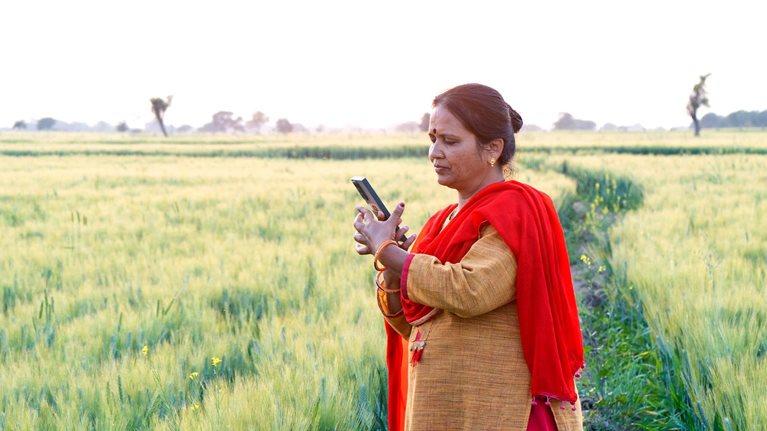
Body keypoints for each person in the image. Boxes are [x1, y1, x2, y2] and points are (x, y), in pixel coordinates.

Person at [353, 83, 585, 431]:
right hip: (445, 406)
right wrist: (391, 265)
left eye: (450, 140)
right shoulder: (441, 222)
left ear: (492, 148)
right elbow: (414, 325)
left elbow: (470, 290)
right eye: (432, 138)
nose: (434, 152)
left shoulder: (514, 211)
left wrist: (387, 250)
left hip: (503, 411)